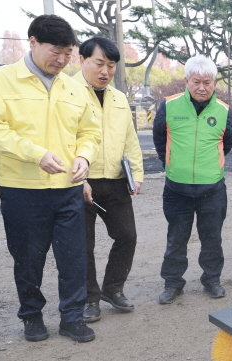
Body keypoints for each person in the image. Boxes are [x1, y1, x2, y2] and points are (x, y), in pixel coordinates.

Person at [0, 15, 101, 342]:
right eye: (55, 52)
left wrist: (85, 156)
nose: (62, 60)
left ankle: (72, 318)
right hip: (23, 190)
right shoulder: (0, 80)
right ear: (33, 42)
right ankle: (31, 315)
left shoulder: (74, 87)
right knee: (28, 259)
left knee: (73, 258)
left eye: (68, 54)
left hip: (68, 189)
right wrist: (35, 154)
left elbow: (90, 131)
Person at [153, 55, 232, 304]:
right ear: (186, 81)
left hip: (213, 189)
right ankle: (172, 282)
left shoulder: (223, 110)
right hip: (177, 189)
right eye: (196, 82)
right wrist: (171, 163)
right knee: (176, 239)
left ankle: (212, 280)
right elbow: (159, 139)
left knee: (212, 238)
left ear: (214, 83)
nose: (201, 88)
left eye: (207, 83)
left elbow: (227, 143)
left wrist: (209, 166)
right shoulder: (169, 106)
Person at [73, 37, 143, 322]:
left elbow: (130, 139)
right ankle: (89, 298)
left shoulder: (119, 98)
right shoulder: (67, 92)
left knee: (127, 236)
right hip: (81, 181)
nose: (105, 71)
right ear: (82, 60)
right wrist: (77, 179)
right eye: (99, 63)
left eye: (111, 66)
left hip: (115, 180)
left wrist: (136, 174)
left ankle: (113, 289)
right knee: (83, 245)